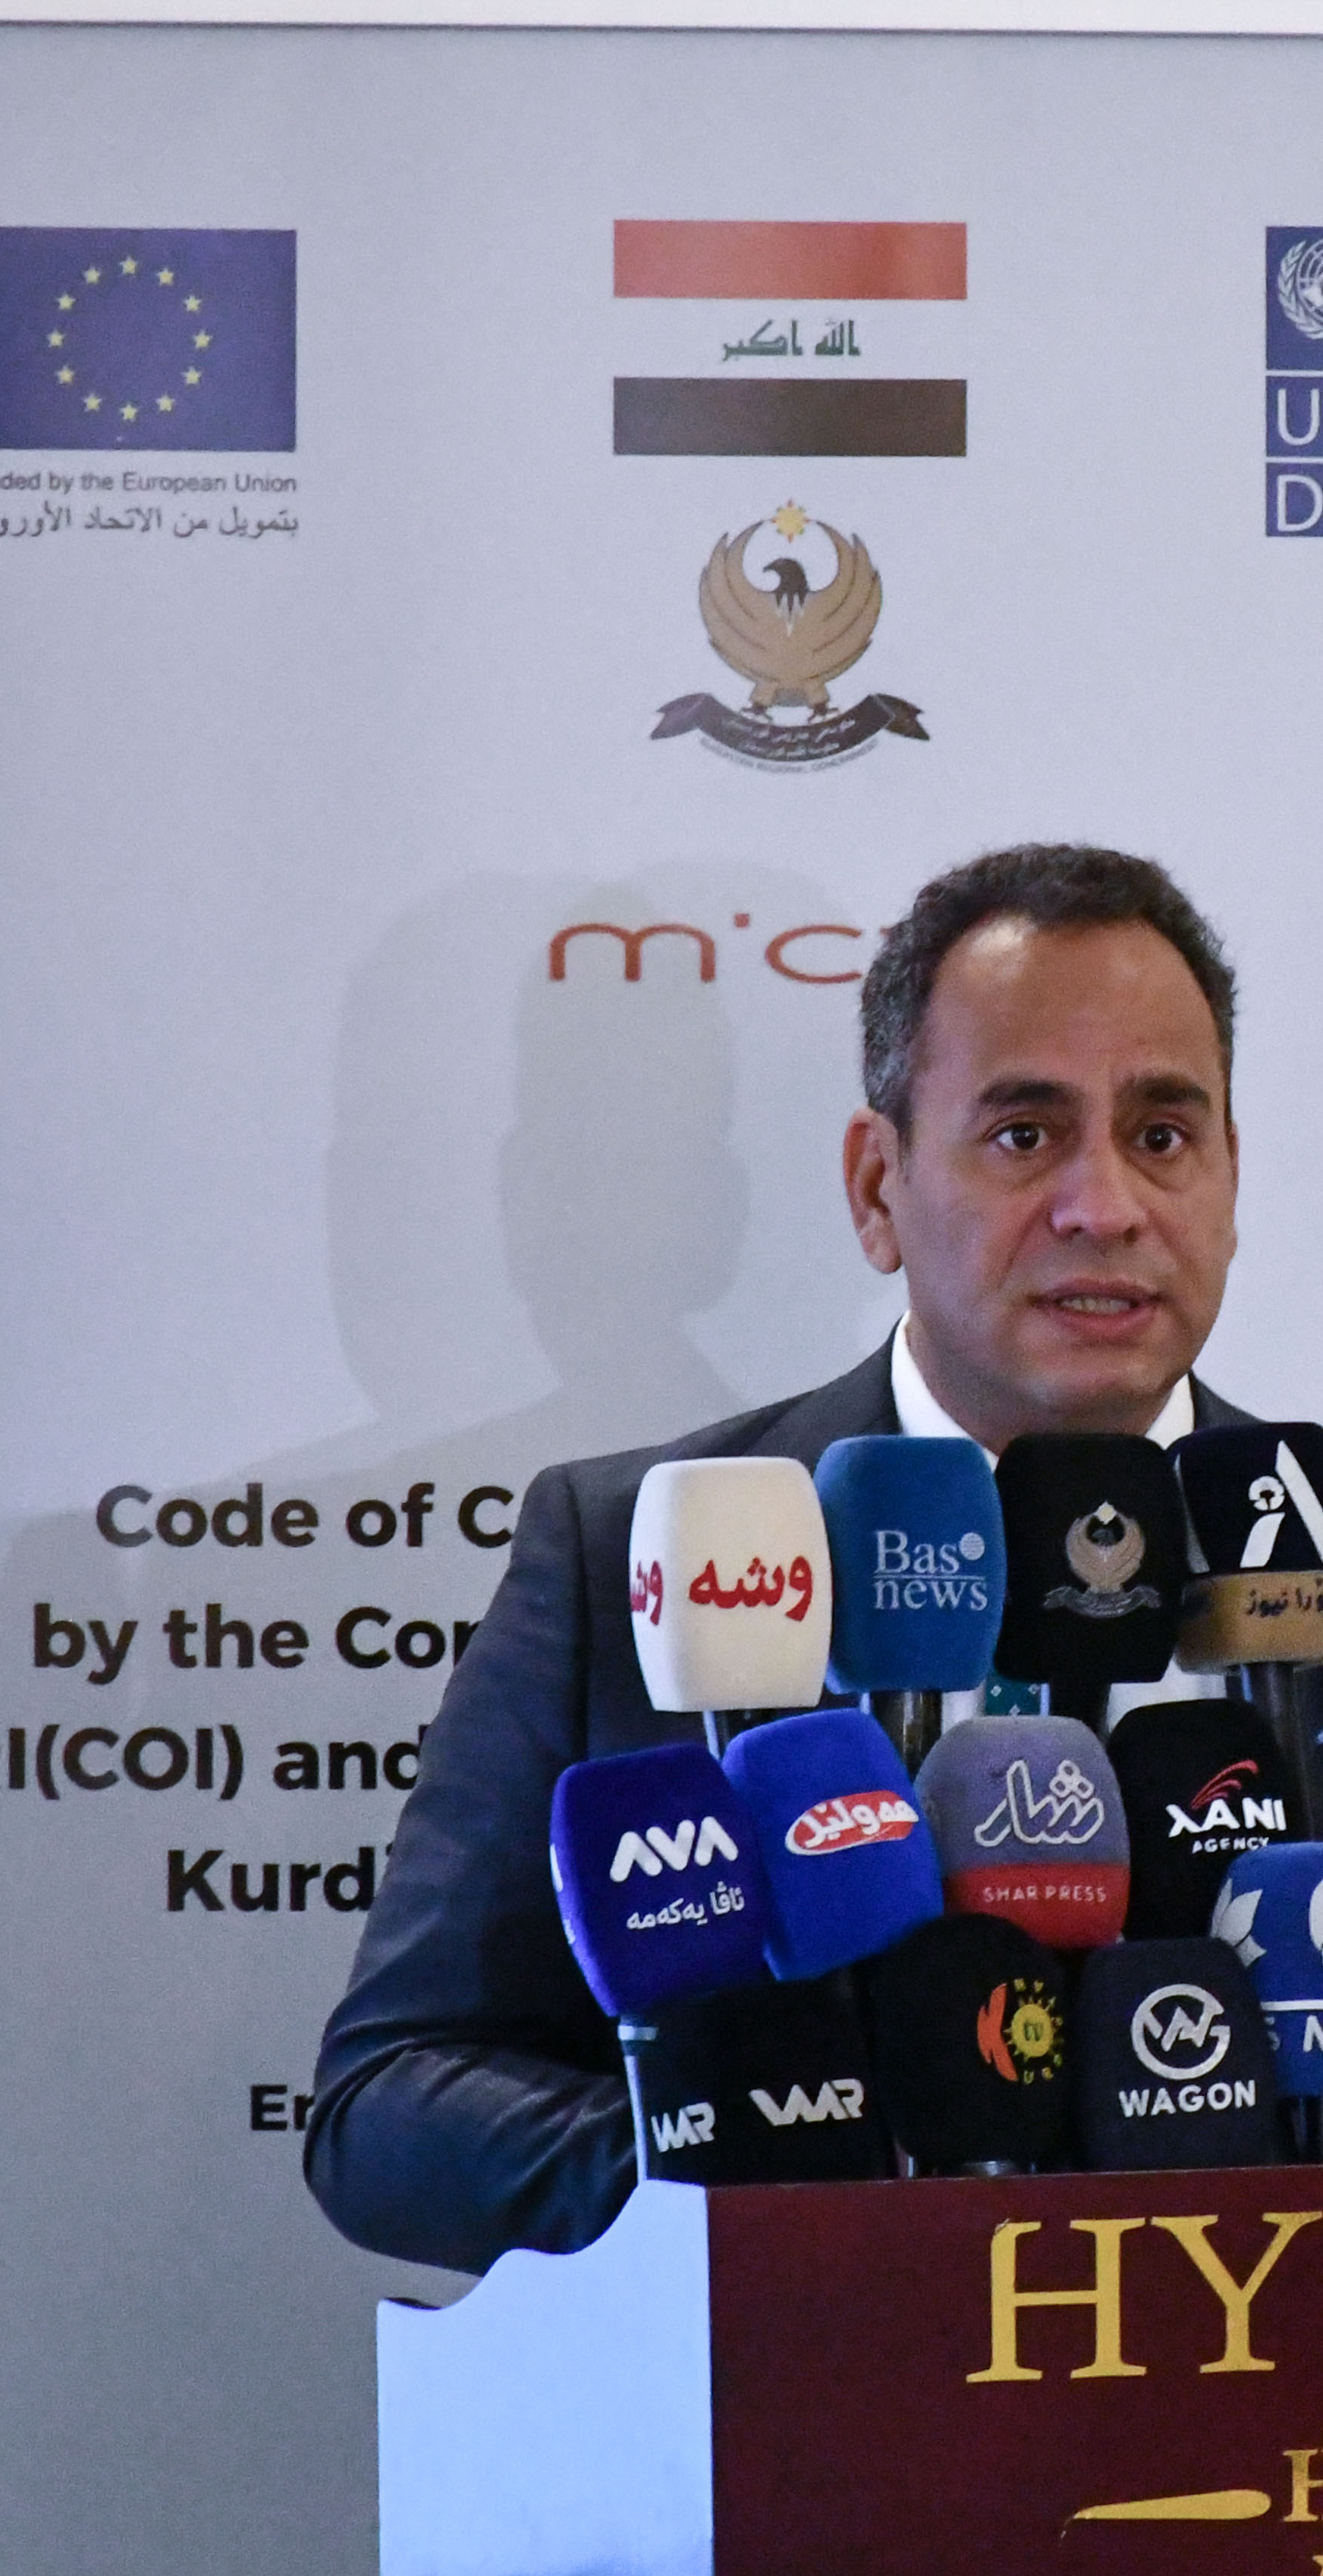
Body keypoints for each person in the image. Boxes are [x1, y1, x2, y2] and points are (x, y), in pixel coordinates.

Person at [304, 843, 1251, 2272]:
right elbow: (387, 2106)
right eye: (1023, 1135)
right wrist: (740, 2160)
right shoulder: (631, 1546)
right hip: (798, 2452)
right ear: (877, 1188)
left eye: (1163, 1135)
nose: (1104, 1206)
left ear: (1232, 1179)